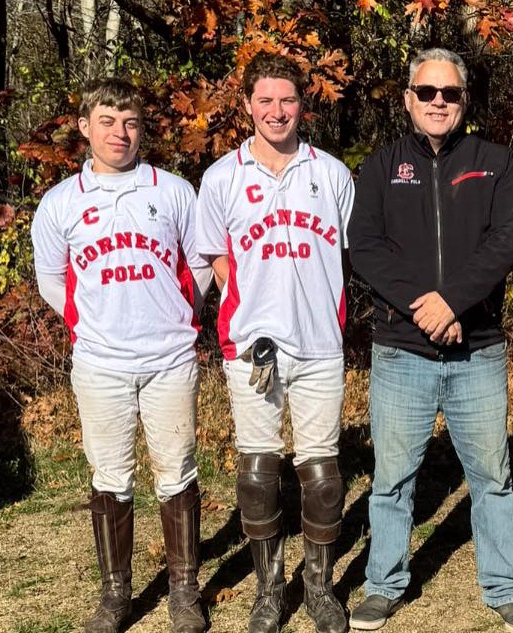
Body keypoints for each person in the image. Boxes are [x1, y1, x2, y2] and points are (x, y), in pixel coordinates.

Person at [346, 48, 513, 633]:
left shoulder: (496, 162)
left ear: (464, 100)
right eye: (427, 92)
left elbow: (509, 238)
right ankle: (383, 584)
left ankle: (505, 588)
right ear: (408, 99)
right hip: (401, 350)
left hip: (476, 348)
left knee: (492, 478)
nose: (438, 102)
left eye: (449, 93)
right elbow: (364, 246)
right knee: (391, 480)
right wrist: (424, 307)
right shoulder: (380, 166)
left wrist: (453, 301)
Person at [31, 78, 212, 633]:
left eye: (130, 123)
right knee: (110, 474)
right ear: (85, 127)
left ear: (141, 129)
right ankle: (115, 595)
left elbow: (199, 263)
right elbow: (51, 278)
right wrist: (89, 323)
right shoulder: (61, 202)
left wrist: (180, 315)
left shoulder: (173, 191)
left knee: (176, 470)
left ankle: (184, 590)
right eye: (107, 122)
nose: (120, 133)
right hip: (101, 362)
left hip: (169, 358)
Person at [194, 51, 355, 633]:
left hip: (318, 344)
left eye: (287, 100)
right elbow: (214, 257)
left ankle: (319, 588)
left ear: (303, 105)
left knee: (322, 473)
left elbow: (348, 255)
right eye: (265, 100)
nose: (277, 111)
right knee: (258, 471)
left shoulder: (331, 174)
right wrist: (250, 307)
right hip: (252, 347)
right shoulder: (222, 177)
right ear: (247, 105)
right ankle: (269, 590)